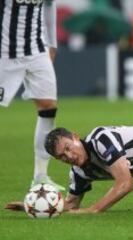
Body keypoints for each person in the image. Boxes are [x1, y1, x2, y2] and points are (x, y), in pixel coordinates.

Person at [0, 0, 64, 190]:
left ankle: (40, 175)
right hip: (4, 55)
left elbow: (50, 6)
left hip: (37, 51)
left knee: (48, 107)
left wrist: (52, 44)